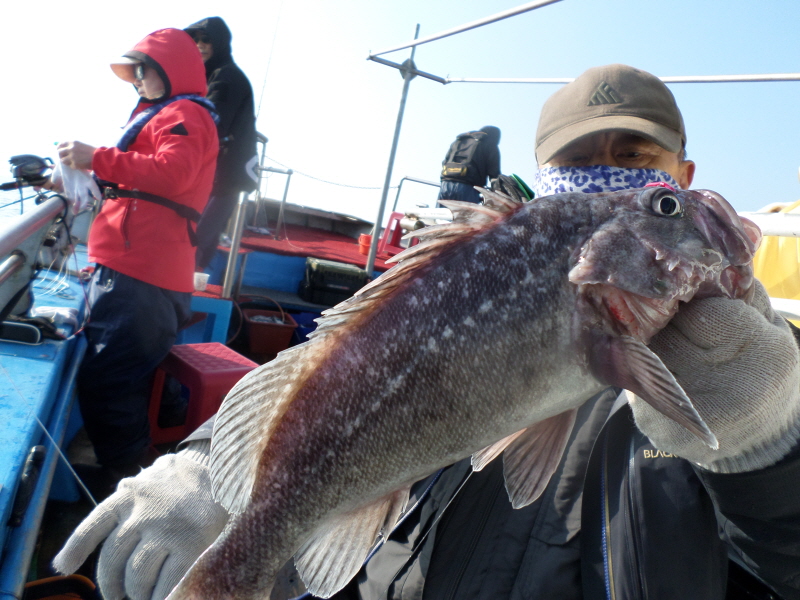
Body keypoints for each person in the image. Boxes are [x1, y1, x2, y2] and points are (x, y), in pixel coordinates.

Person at [54, 64, 800, 600]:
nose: (606, 180)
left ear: (682, 171)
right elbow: (342, 359)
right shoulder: (490, 262)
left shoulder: (766, 358)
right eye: (578, 163)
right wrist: (209, 463)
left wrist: (767, 443)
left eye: (637, 166)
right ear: (546, 177)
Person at [56, 28, 219, 493]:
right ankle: (154, 472)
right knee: (129, 379)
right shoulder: (166, 114)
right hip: (134, 272)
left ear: (169, 71)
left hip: (140, 277)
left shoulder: (185, 113)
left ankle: (130, 494)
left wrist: (98, 158)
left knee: (109, 384)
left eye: (143, 70)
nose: (138, 81)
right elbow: (139, 183)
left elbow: (174, 173)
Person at [184, 16, 259, 271]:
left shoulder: (226, 77)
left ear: (220, 43)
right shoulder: (210, 75)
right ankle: (187, 295)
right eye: (195, 40)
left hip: (224, 175)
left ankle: (179, 296)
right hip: (216, 173)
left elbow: (210, 123)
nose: (200, 45)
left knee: (195, 239)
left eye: (206, 40)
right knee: (203, 237)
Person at [438, 125, 501, 205]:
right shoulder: (490, 144)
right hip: (468, 188)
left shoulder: (459, 141)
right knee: (466, 217)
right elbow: (494, 173)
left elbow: (445, 161)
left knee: (441, 216)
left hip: (445, 184)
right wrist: (496, 194)